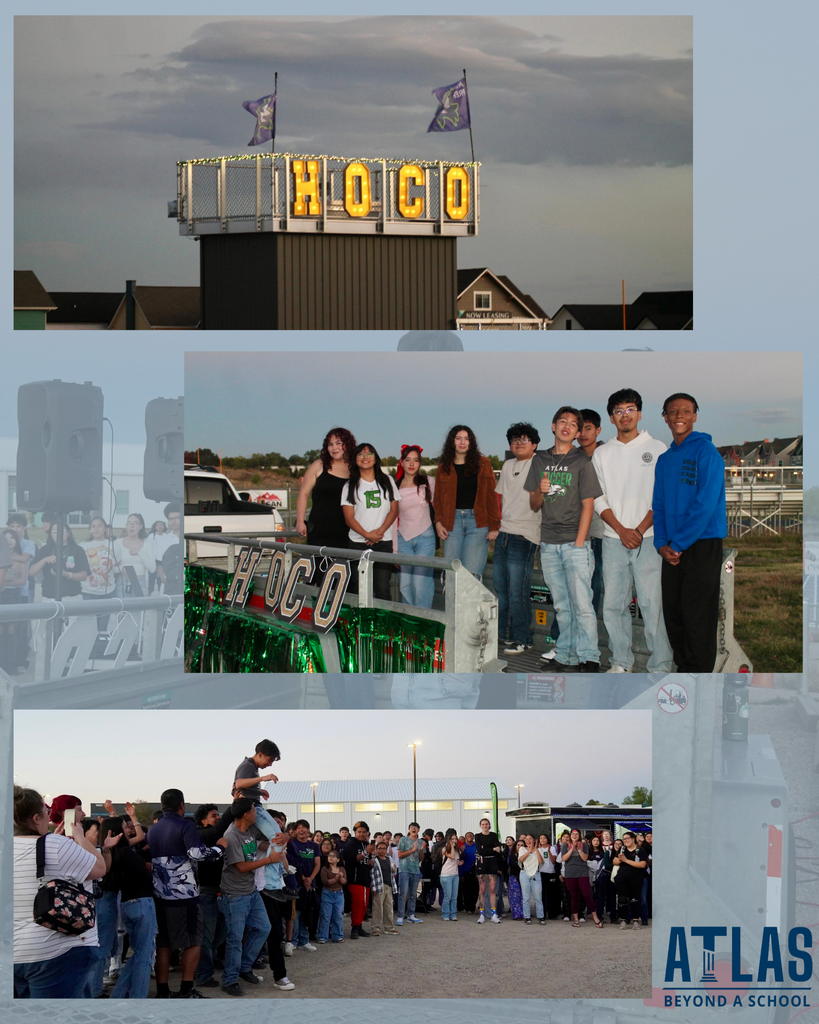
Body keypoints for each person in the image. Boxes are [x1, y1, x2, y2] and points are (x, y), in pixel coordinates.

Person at [592, 389, 673, 674]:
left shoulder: (659, 448)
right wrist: (621, 529)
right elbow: (598, 498)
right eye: (618, 411)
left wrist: (637, 530)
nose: (624, 415)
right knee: (613, 606)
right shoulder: (602, 453)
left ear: (639, 413)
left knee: (653, 605)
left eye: (629, 409)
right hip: (613, 540)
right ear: (611, 418)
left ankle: (661, 665)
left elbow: (661, 497)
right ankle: (620, 661)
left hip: (649, 539)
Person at [653, 393, 727, 671]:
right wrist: (661, 543)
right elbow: (658, 505)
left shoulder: (706, 452)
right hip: (671, 549)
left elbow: (705, 504)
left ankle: (700, 683)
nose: (679, 416)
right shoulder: (664, 459)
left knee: (698, 618)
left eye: (686, 411)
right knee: (675, 617)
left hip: (701, 545)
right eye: (673, 412)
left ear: (695, 416)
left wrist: (679, 542)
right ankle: (684, 677)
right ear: (666, 417)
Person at [525, 407, 603, 671]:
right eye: (562, 421)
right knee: (561, 606)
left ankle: (590, 656)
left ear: (578, 432)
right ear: (553, 426)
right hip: (548, 544)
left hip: (575, 544)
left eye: (573, 424)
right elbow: (534, 503)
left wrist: (580, 543)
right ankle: (565, 655)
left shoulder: (581, 461)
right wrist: (540, 490)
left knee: (582, 605)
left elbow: (589, 505)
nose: (567, 426)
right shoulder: (540, 459)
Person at [13, 786, 109, 998]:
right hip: (57, 951)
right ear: (36, 818)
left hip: (15, 953)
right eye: (46, 813)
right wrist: (80, 837)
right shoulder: (55, 844)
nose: (49, 816)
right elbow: (99, 868)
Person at [147, 788, 228, 998]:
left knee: (163, 944)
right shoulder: (185, 825)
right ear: (181, 805)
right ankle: (186, 989)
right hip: (185, 895)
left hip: (160, 895)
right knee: (193, 941)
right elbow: (197, 854)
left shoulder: (153, 830)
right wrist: (220, 848)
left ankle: (163, 991)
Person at [217, 797, 274, 996]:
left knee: (263, 928)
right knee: (235, 938)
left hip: (250, 891)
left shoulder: (249, 829)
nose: (256, 812)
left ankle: (244, 967)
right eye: (253, 809)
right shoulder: (231, 836)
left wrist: (279, 838)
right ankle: (229, 980)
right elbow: (241, 867)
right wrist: (269, 859)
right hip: (235, 896)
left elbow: (269, 835)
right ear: (245, 814)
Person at [494, 423, 542, 656]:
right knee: (501, 589)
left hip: (525, 535)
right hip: (504, 532)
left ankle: (524, 638)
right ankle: (504, 635)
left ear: (534, 444)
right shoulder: (507, 465)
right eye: (514, 439)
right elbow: (501, 499)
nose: (518, 443)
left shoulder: (539, 464)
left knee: (518, 591)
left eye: (524, 439)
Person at [101, 810, 156, 999]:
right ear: (117, 830)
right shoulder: (125, 852)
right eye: (125, 827)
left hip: (127, 904)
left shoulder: (114, 853)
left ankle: (118, 995)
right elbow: (145, 877)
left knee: (139, 953)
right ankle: (138, 997)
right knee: (144, 956)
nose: (129, 829)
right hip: (141, 902)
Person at [433, 425, 499, 579]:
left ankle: (472, 604)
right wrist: (438, 522)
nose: (462, 442)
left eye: (466, 438)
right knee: (451, 573)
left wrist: (494, 526)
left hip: (478, 524)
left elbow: (491, 495)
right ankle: (453, 603)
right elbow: (438, 498)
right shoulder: (444, 467)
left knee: (471, 576)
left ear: (471, 442)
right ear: (452, 441)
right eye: (458, 438)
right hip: (452, 523)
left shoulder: (483, 463)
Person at [342, 443, 401, 601]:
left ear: (376, 459)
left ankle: (384, 624)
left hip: (383, 542)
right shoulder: (350, 486)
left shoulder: (387, 480)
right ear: (355, 460)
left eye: (369, 454)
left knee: (382, 588)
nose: (365, 457)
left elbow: (394, 510)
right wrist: (367, 534)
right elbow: (349, 518)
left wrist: (379, 532)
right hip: (357, 543)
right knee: (358, 586)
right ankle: (358, 623)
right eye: (361, 454)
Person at [296, 428, 357, 564]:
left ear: (348, 444)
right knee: (320, 575)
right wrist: (300, 521)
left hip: (347, 532)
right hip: (320, 531)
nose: (334, 448)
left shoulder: (355, 469)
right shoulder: (319, 465)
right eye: (330, 444)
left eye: (338, 443)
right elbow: (303, 494)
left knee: (345, 577)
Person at [394, 444, 436, 608]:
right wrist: (394, 549)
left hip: (425, 539)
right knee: (405, 585)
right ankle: (410, 622)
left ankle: (424, 621)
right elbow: (392, 519)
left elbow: (440, 507)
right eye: (408, 460)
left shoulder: (428, 482)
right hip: (403, 540)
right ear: (402, 462)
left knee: (420, 583)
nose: (411, 464)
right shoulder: (394, 487)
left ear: (420, 463)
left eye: (416, 460)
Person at [28, 522, 90, 600]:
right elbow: (31, 572)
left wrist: (65, 574)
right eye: (54, 532)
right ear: (50, 534)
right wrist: (45, 560)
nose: (58, 534)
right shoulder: (45, 549)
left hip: (72, 595)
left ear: (68, 533)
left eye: (61, 531)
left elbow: (83, 576)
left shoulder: (77, 550)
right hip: (49, 596)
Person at [287, 820, 321, 951]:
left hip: (310, 884)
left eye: (304, 828)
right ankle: (293, 940)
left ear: (308, 830)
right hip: (296, 883)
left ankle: (304, 939)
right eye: (298, 828)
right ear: (295, 831)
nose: (301, 830)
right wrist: (303, 879)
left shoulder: (313, 846)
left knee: (308, 912)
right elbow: (292, 863)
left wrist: (310, 879)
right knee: (295, 913)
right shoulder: (292, 844)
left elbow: (317, 864)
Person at [560, 829, 603, 927]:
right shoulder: (565, 846)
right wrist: (572, 848)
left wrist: (579, 849)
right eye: (573, 834)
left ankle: (595, 917)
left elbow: (584, 858)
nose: (574, 836)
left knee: (587, 894)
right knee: (574, 896)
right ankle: (576, 919)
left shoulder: (585, 846)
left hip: (582, 872)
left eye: (576, 834)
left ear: (579, 835)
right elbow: (564, 858)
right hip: (570, 873)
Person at [0, 530, 28, 673]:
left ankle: (10, 665)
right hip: (1, 595)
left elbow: (23, 580)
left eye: (12, 538)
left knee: (11, 630)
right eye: (6, 538)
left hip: (14, 594)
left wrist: (9, 582)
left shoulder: (20, 558)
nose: (9, 540)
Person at [344, 821, 375, 938]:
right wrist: (366, 852)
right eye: (359, 832)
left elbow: (367, 860)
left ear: (367, 833)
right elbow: (351, 859)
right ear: (355, 832)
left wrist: (370, 862)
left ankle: (359, 926)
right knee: (357, 904)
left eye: (364, 832)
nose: (361, 834)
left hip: (365, 878)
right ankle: (354, 928)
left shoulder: (366, 844)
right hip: (355, 879)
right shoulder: (351, 843)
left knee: (364, 904)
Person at [112, 514, 155, 597]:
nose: (132, 526)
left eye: (135, 523)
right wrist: (122, 569)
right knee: (123, 608)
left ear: (141, 526)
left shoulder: (147, 543)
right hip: (122, 581)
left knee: (139, 608)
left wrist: (140, 552)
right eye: (129, 523)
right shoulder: (117, 543)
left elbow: (152, 568)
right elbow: (111, 567)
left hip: (140, 581)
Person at [613, 831, 648, 930]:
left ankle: (636, 920)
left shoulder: (640, 850)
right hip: (622, 878)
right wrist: (620, 860)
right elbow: (614, 861)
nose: (626, 840)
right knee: (622, 900)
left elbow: (642, 865)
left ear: (633, 839)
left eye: (627, 838)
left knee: (635, 900)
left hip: (636, 878)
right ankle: (623, 920)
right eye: (624, 839)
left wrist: (626, 861)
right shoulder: (622, 849)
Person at [396, 822, 425, 925]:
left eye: (416, 827)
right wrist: (413, 849)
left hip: (415, 870)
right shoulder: (403, 840)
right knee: (403, 893)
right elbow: (399, 855)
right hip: (404, 869)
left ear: (419, 830)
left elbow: (421, 858)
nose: (413, 829)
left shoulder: (421, 841)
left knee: (413, 894)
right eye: (411, 827)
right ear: (409, 830)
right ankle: (400, 915)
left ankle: (411, 915)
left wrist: (421, 849)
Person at [475, 818, 502, 923]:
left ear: (489, 825)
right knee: (482, 890)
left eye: (486, 824)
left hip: (492, 863)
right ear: (480, 825)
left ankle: (493, 914)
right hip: (482, 863)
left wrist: (487, 849)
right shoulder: (477, 836)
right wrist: (492, 849)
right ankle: (481, 914)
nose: (485, 826)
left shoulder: (493, 835)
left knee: (492, 890)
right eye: (483, 824)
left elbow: (498, 849)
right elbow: (480, 850)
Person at [316, 848, 347, 943]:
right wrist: (336, 878)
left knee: (338, 915)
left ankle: (337, 935)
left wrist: (340, 878)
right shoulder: (325, 869)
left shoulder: (342, 869)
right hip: (327, 893)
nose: (331, 857)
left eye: (333, 856)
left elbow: (344, 882)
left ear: (338, 859)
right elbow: (325, 882)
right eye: (330, 856)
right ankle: (322, 936)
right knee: (325, 915)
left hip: (339, 894)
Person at [370, 839, 399, 935]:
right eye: (380, 848)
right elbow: (372, 875)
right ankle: (376, 928)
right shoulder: (374, 860)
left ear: (386, 849)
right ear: (376, 849)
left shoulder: (389, 859)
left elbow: (393, 871)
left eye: (384, 848)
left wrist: (394, 868)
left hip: (389, 885)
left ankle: (389, 927)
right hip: (379, 886)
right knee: (377, 908)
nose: (382, 850)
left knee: (389, 908)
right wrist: (373, 888)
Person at [517, 834, 546, 924]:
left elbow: (541, 861)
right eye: (526, 839)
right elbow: (521, 859)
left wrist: (535, 849)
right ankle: (527, 917)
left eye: (530, 839)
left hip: (536, 874)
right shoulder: (522, 849)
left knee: (538, 897)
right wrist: (528, 851)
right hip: (524, 873)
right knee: (526, 897)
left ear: (534, 840)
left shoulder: (540, 850)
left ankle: (540, 917)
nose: (528, 841)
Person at [439, 830, 462, 921]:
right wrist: (451, 846)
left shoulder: (458, 850)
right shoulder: (444, 849)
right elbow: (451, 856)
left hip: (455, 875)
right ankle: (445, 914)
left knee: (454, 896)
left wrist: (460, 862)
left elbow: (455, 860)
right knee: (448, 896)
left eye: (455, 839)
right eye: (452, 839)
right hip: (446, 875)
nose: (454, 840)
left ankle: (453, 913)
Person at [458, 831, 479, 914]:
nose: (469, 837)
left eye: (471, 835)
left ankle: (473, 907)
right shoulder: (463, 848)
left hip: (476, 871)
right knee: (466, 891)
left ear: (473, 837)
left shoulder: (477, 846)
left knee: (475, 890)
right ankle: (468, 908)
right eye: (467, 836)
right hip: (466, 871)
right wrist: (461, 873)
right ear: (465, 838)